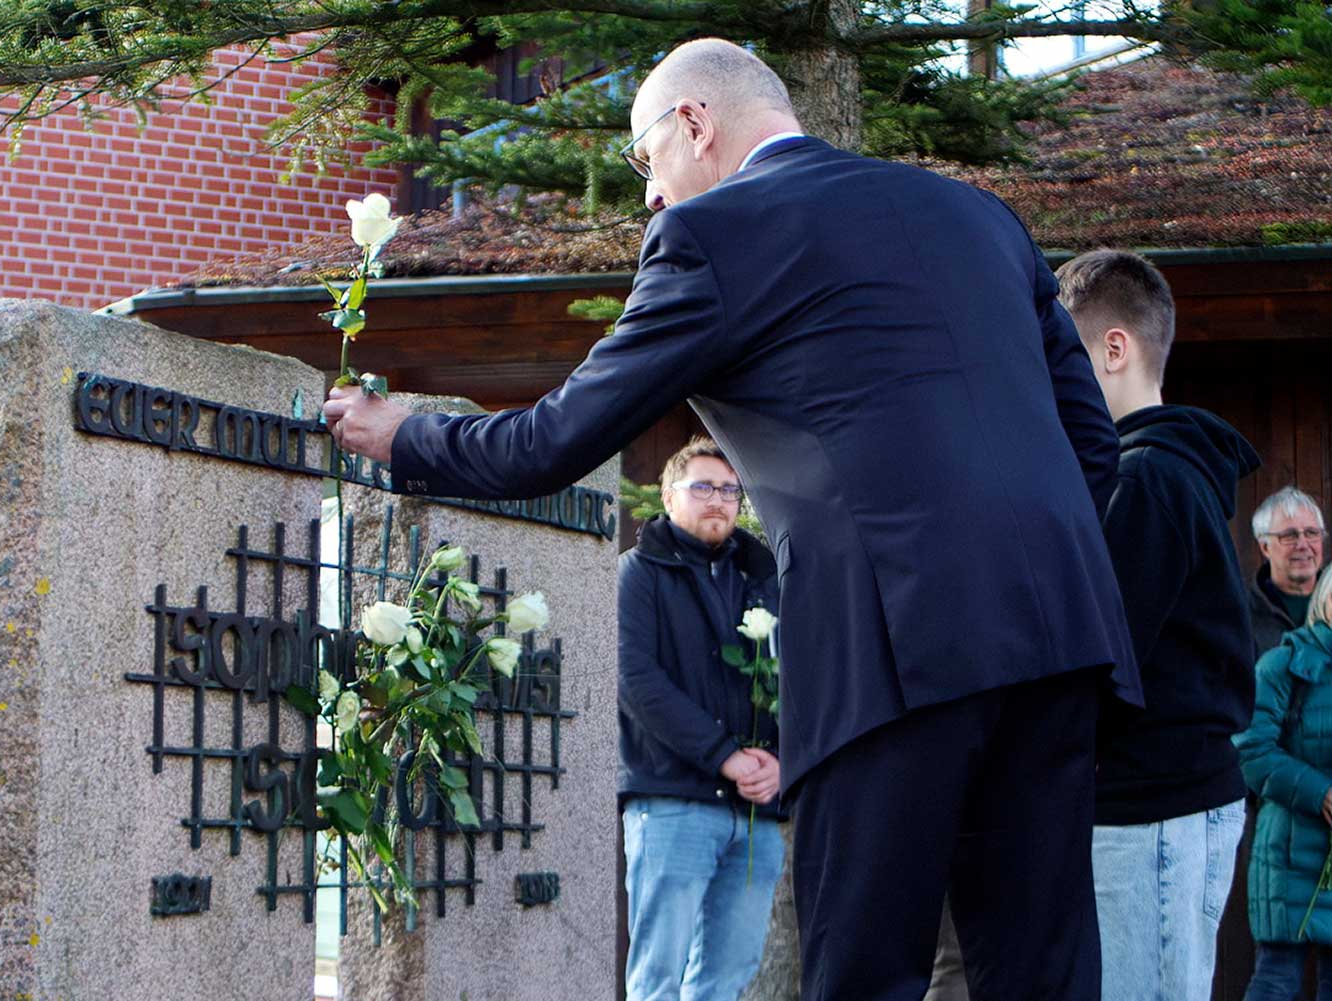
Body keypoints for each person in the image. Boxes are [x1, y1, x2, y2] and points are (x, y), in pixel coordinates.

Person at [324, 37, 1141, 1001]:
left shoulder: (713, 235)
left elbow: (554, 439)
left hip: (891, 645)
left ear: (695, 123)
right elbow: (1092, 442)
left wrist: (405, 434)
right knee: (1044, 975)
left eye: (645, 159)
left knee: (864, 973)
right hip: (1061, 636)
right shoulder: (978, 214)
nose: (649, 194)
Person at [1056, 248, 1259, 999]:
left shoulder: (1147, 478)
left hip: (1153, 812)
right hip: (1153, 810)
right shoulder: (1152, 472)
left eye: (1061, 359)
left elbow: (1105, 660)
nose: (1050, 384)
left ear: (1114, 350)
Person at [617, 436, 785, 1001]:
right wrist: (725, 756)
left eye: (730, 491)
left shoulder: (764, 581)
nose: (718, 500)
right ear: (669, 497)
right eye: (704, 487)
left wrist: (780, 762)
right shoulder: (637, 574)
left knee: (727, 979)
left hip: (756, 812)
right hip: (673, 801)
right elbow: (635, 680)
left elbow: (800, 678)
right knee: (658, 978)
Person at [1235, 568, 1332, 1000]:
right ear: (1324, 599)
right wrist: (1320, 792)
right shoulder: (1282, 664)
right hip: (1289, 853)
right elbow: (1251, 751)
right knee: (1276, 980)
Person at [1250, 487, 1326, 658]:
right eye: (1289, 536)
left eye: (1311, 533)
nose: (1303, 545)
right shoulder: (1241, 613)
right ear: (1265, 547)